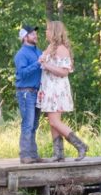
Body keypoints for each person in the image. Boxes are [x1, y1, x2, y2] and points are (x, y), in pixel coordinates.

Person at [37, 20, 89, 161]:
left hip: (57, 89)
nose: (45, 32)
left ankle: (81, 145)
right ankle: (58, 154)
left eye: (48, 30)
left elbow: (64, 72)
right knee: (52, 121)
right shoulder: (50, 47)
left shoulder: (61, 49)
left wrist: (46, 65)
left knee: (55, 122)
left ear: (54, 32)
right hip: (49, 88)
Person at [13, 24, 43, 164]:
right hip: (26, 92)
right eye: (32, 34)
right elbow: (23, 73)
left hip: (37, 93)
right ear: (25, 37)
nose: (35, 35)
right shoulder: (21, 54)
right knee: (28, 124)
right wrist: (38, 63)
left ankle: (33, 154)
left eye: (35, 33)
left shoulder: (38, 51)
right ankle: (25, 155)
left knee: (34, 124)